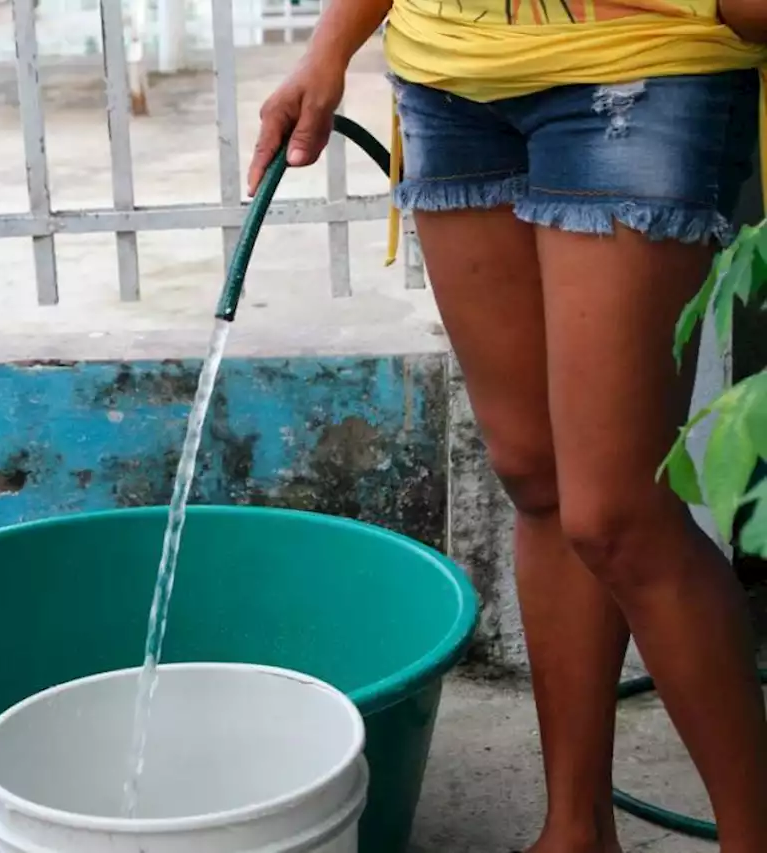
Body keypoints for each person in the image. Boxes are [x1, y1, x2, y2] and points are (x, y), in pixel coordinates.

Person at [249, 1, 767, 852]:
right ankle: (574, 828)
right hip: (448, 72)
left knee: (617, 516)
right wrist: (329, 48)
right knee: (536, 475)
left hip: (639, 61)